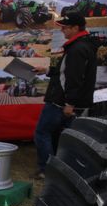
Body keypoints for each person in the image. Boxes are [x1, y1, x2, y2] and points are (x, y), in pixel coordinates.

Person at [32, 10, 98, 179]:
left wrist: (70, 103)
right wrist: (46, 70)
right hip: (68, 102)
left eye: (65, 28)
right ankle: (64, 170)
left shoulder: (77, 49)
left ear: (76, 28)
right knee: (64, 138)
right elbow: (66, 72)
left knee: (42, 133)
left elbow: (74, 79)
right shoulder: (83, 45)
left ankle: (47, 170)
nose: (62, 31)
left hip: (60, 103)